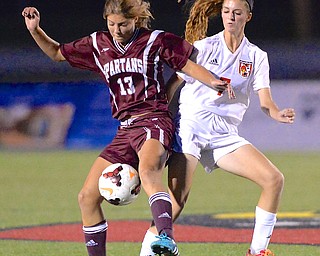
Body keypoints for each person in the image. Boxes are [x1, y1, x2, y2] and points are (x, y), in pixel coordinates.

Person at [22, 1, 228, 256]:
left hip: (153, 119)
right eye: (112, 24)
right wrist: (35, 30)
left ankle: (166, 239)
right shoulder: (98, 44)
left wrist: (212, 81)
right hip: (125, 130)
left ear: (136, 21)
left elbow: (186, 64)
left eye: (123, 24)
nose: (117, 29)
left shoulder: (155, 40)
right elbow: (56, 53)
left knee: (148, 170)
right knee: (87, 197)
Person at [139, 0, 296, 256]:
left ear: (249, 16)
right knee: (176, 202)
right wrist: (159, 115)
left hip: (224, 135)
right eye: (226, 12)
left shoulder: (256, 56)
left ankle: (257, 251)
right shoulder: (203, 47)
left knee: (273, 179)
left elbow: (265, 100)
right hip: (191, 125)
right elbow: (174, 82)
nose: (230, 17)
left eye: (237, 13)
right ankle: (146, 252)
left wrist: (276, 113)